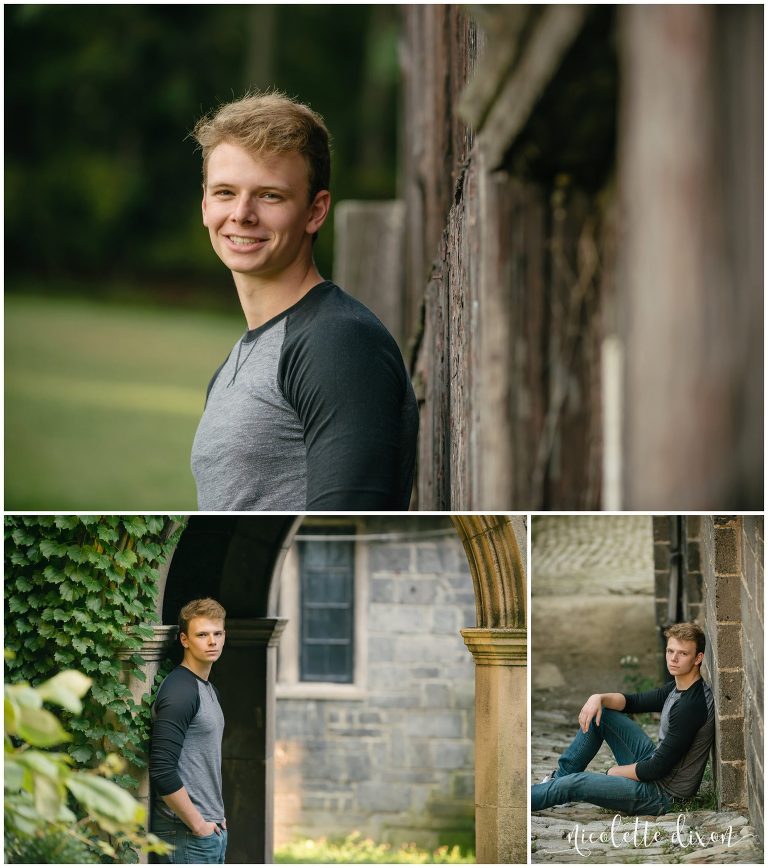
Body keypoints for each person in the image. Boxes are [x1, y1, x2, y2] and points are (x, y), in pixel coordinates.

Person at [189, 90, 418, 510]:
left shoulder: (337, 343)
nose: (241, 213)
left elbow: (347, 529)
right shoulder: (240, 358)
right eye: (225, 192)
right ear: (205, 204)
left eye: (270, 195)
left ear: (315, 211)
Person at [531, 622, 715, 816]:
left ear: (698, 658)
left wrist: (614, 772)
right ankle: (555, 782)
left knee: (576, 783)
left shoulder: (690, 706)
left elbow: (655, 769)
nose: (673, 659)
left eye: (683, 654)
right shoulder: (680, 686)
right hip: (654, 769)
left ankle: (523, 801)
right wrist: (598, 698)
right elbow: (633, 702)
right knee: (602, 715)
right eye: (670, 651)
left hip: (663, 794)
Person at [150, 598, 227, 863]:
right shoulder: (180, 691)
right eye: (202, 634)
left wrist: (215, 819)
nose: (212, 641)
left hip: (206, 831)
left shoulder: (207, 688)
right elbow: (162, 768)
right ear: (184, 640)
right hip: (184, 834)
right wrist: (198, 825)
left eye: (217, 634)